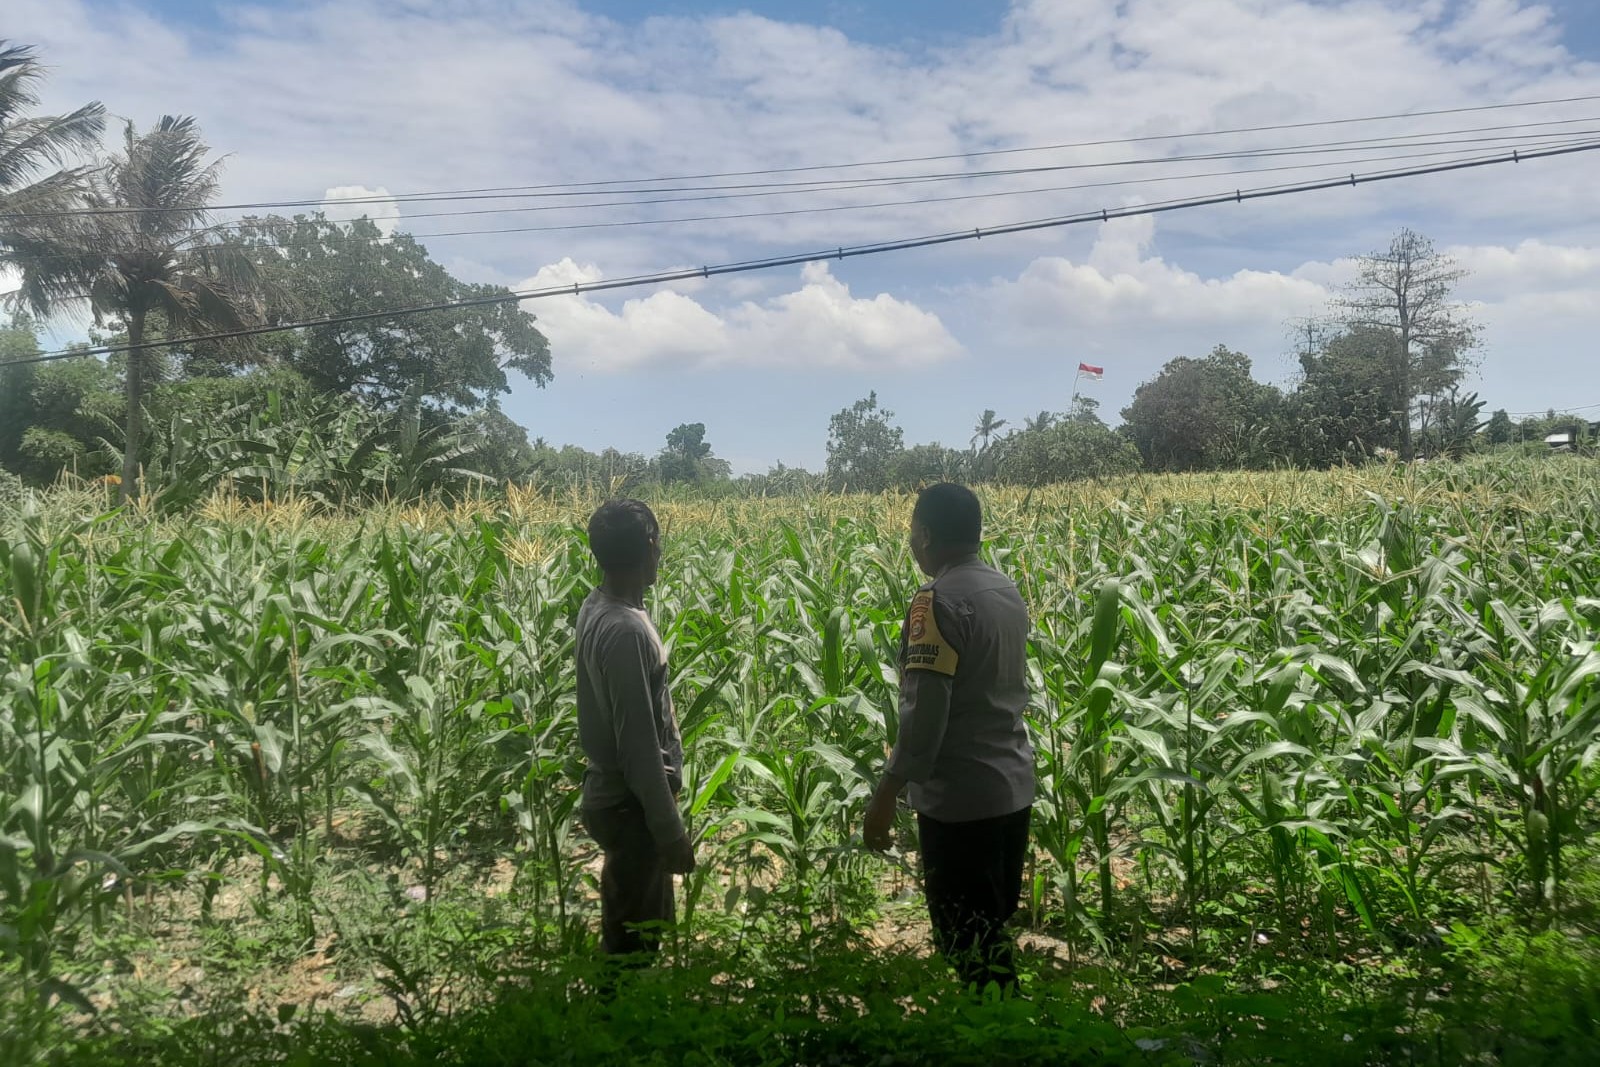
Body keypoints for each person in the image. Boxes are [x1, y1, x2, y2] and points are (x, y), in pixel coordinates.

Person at [862, 483, 1035, 992]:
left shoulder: (935, 603)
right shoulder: (1005, 590)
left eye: (913, 531)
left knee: (971, 946)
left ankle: (1003, 1038)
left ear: (928, 534)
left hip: (961, 803)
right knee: (992, 927)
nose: (911, 542)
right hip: (1011, 788)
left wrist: (886, 793)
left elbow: (925, 716)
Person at [576, 499, 696, 966]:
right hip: (632, 807)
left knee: (639, 932)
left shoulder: (598, 605)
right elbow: (639, 747)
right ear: (650, 546)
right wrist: (669, 831)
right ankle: (617, 1027)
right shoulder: (625, 631)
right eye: (659, 543)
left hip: (622, 801)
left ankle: (634, 1025)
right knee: (630, 950)